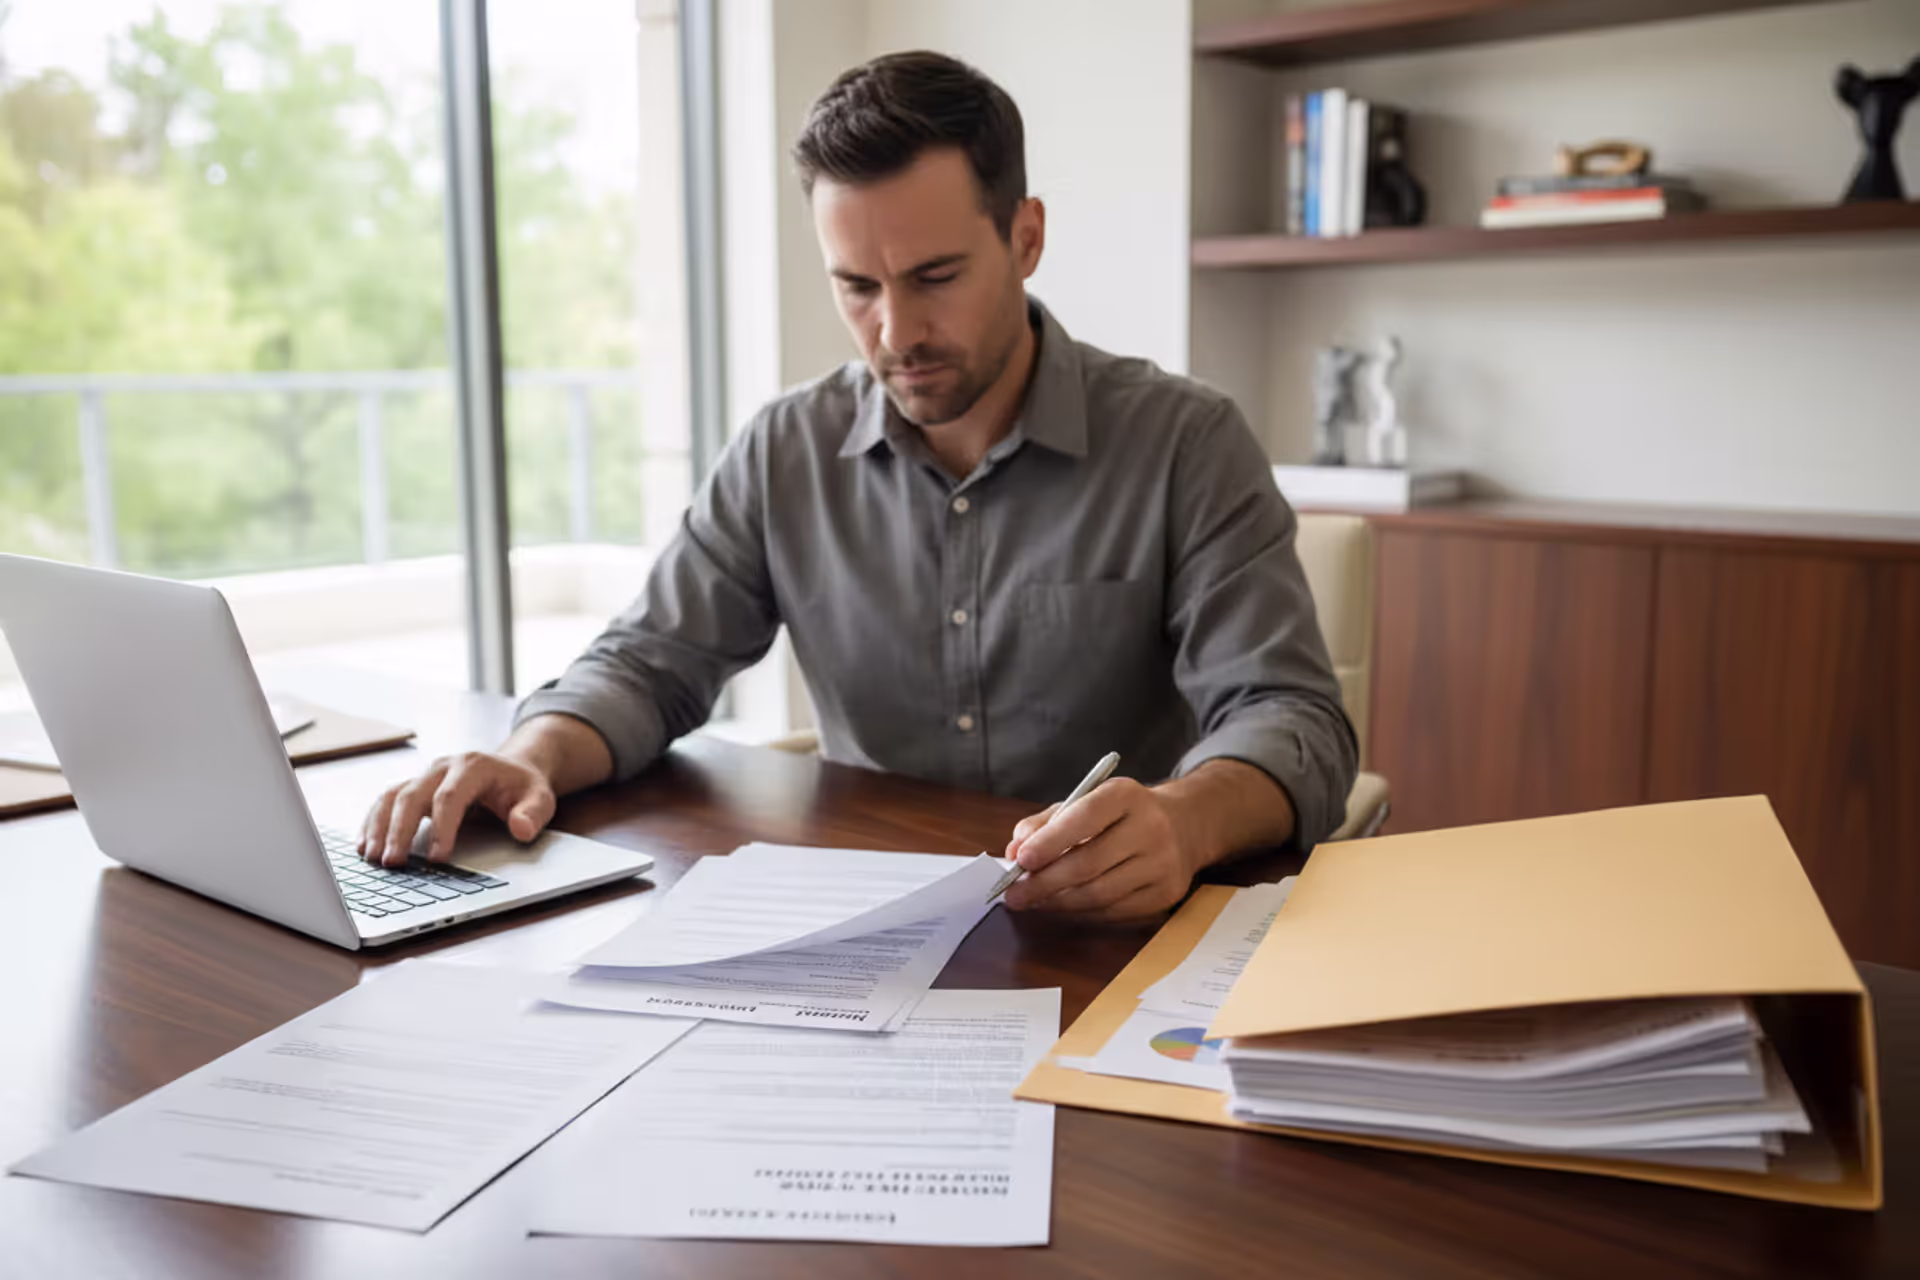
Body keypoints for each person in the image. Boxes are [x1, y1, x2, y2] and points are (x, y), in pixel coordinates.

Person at [360, 51, 1357, 922]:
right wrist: (532, 753)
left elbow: (1290, 715)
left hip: (1107, 926)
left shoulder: (1186, 440)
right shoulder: (785, 448)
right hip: (866, 924)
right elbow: (651, 662)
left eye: (935, 275)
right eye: (857, 286)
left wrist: (1183, 819)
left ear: (1025, 238)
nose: (895, 331)